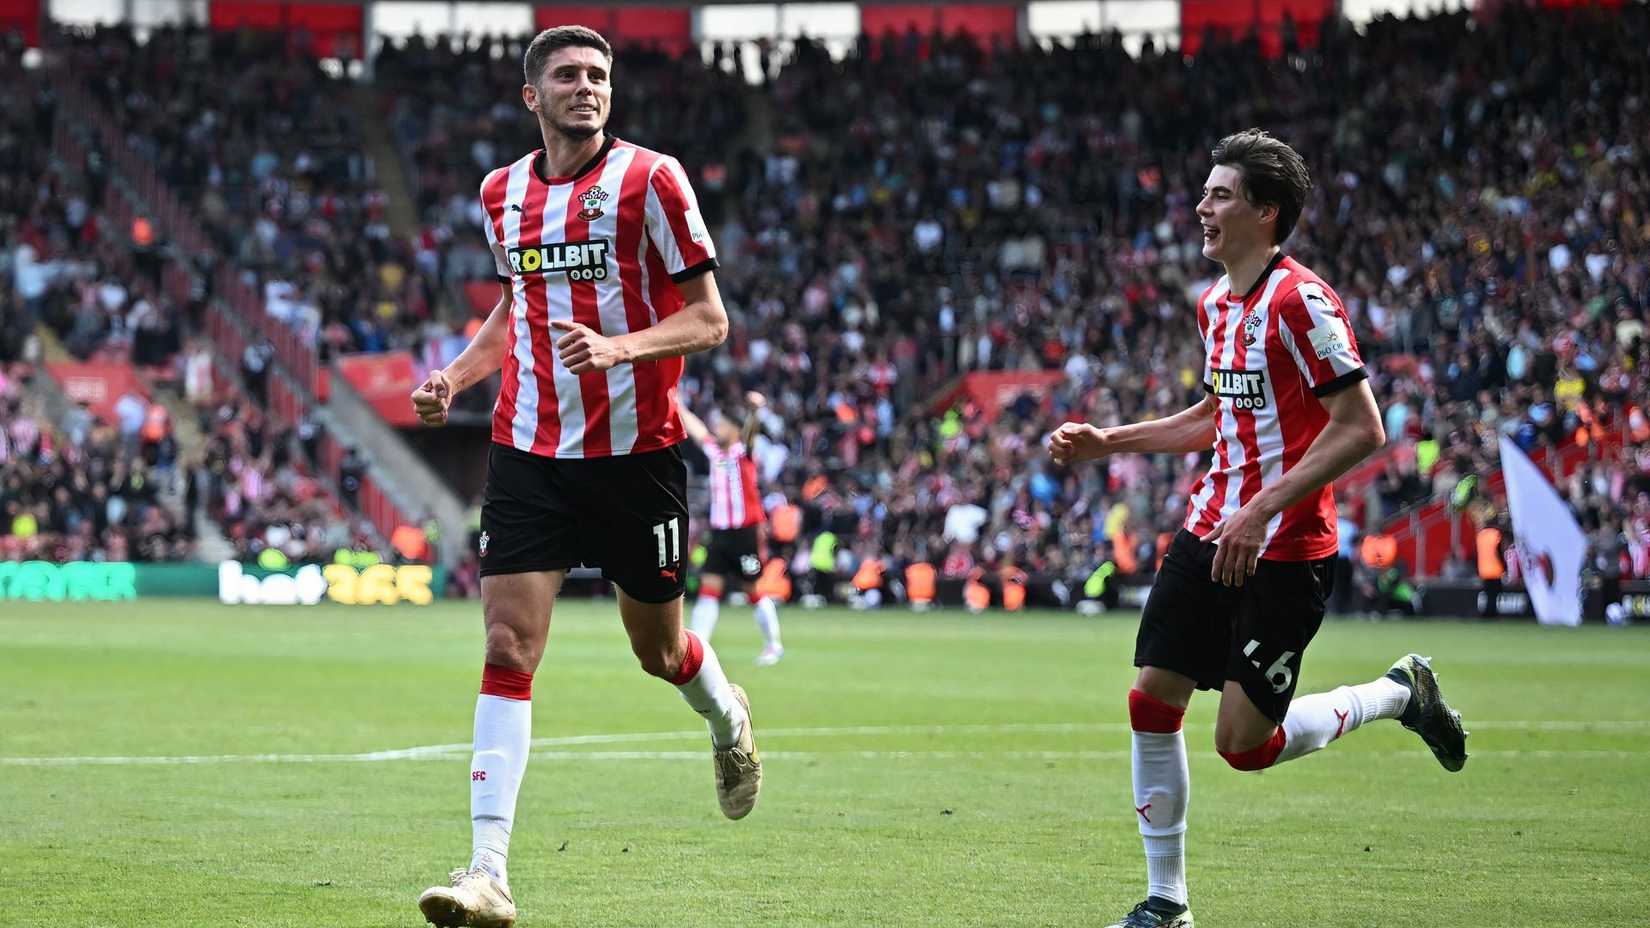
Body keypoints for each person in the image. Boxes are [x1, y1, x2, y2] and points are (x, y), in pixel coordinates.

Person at [1047, 129, 1467, 928]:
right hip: (1211, 529)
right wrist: (1112, 440)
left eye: (1220, 194)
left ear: (1265, 212)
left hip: (1284, 551)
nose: (1202, 207)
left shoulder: (1300, 300)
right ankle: (1166, 904)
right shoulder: (1216, 303)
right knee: (1150, 701)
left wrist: (1263, 507)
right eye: (1205, 192)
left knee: (1243, 746)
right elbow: (1216, 416)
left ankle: (1397, 692)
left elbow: (1362, 427)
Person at [408, 26, 760, 928]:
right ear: (533, 96)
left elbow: (710, 320)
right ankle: (489, 872)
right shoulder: (503, 193)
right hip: (528, 454)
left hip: (639, 458)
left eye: (599, 75)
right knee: (506, 648)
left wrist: (620, 348)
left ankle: (728, 721)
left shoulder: (653, 180)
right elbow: (516, 309)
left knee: (660, 653)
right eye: (567, 75)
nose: (587, 87)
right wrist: (458, 372)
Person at [678, 390, 785, 665]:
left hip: (745, 533)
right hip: (720, 533)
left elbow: (750, 432)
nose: (717, 428)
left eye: (723, 424)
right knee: (708, 589)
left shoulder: (743, 452)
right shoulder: (715, 451)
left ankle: (774, 645)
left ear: (735, 429)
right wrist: (676, 403)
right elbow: (697, 428)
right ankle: (698, 651)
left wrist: (755, 411)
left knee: (753, 591)